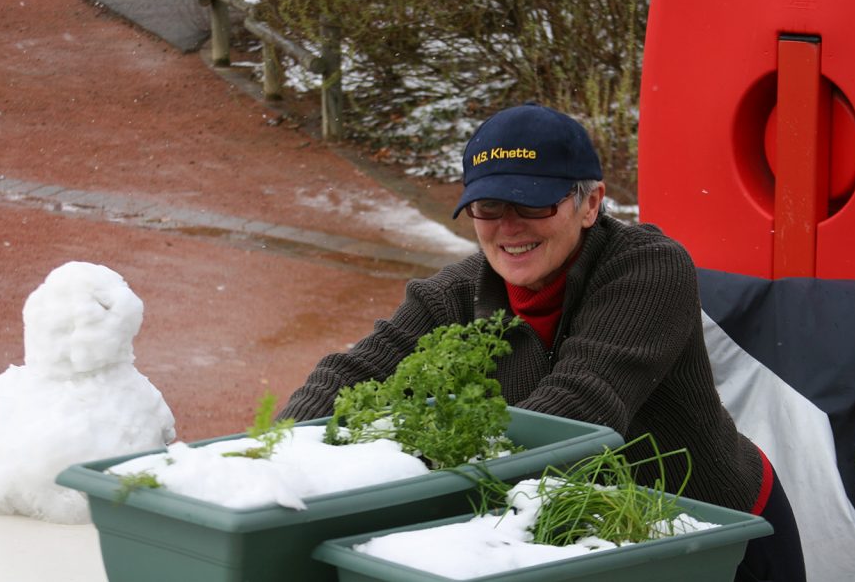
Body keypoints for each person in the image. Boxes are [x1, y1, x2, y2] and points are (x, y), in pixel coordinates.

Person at [279, 102, 805, 581]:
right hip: (574, 537)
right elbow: (350, 376)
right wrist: (274, 457)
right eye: (488, 206)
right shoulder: (455, 294)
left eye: (532, 205)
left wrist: (434, 480)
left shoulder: (648, 269)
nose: (509, 228)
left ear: (590, 202)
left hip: (715, 531)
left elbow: (579, 412)